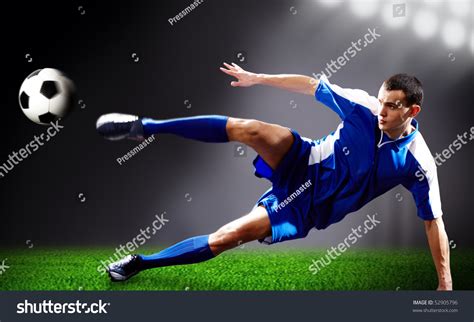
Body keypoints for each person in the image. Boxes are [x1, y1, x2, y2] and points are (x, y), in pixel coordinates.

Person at [96, 62, 452, 290]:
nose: (382, 111)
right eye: (382, 101)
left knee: (225, 238)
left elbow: (433, 221)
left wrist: (445, 284)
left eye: (392, 106)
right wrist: (258, 78)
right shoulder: (363, 107)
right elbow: (311, 85)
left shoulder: (418, 162)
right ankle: (145, 126)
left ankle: (140, 263)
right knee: (250, 129)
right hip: (305, 159)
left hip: (306, 208)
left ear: (412, 110)